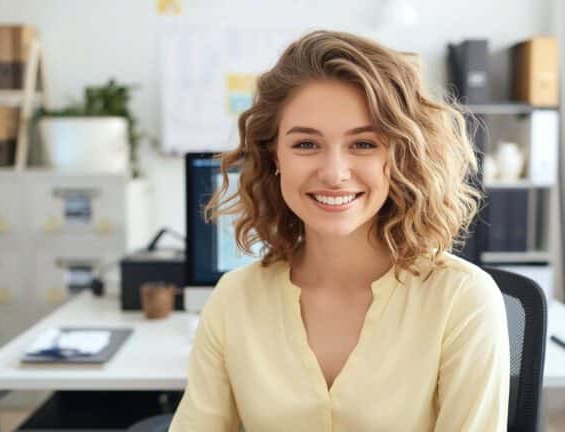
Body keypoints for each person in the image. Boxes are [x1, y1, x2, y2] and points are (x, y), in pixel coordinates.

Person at [169, 30, 509, 432]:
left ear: (400, 156)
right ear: (273, 155)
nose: (333, 173)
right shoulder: (235, 299)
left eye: (363, 144)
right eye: (306, 145)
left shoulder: (460, 298)